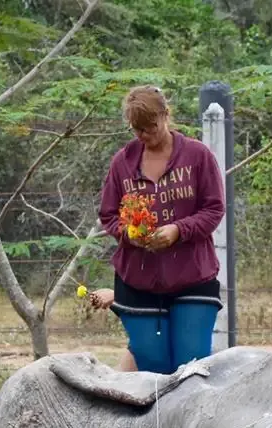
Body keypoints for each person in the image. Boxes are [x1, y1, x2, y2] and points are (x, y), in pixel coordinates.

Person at [97, 85, 225, 375]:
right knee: (152, 368)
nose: (144, 135)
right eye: (137, 129)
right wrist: (129, 234)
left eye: (151, 126)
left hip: (192, 277)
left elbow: (214, 209)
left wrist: (178, 230)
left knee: (189, 368)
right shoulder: (123, 163)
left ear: (166, 115)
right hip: (138, 283)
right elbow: (108, 215)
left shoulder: (197, 156)